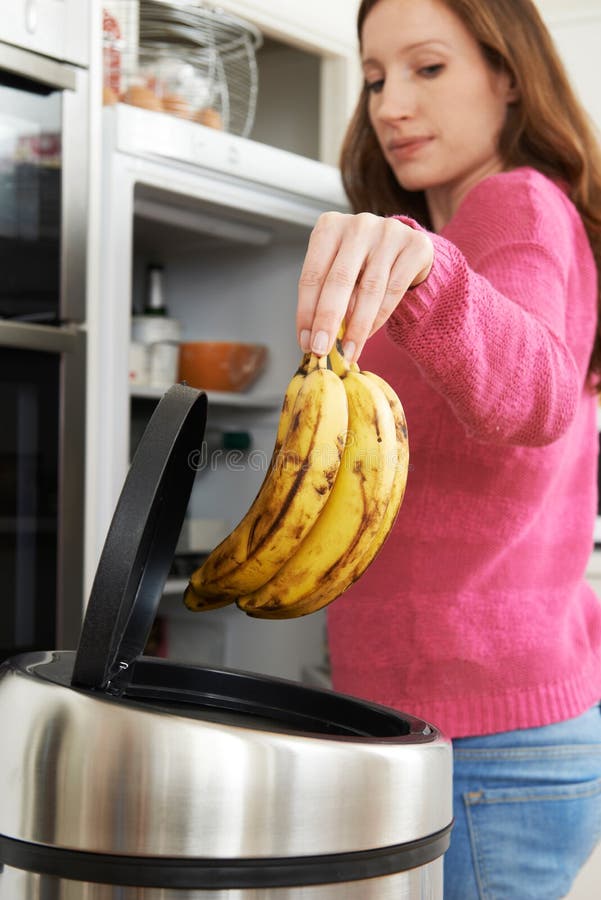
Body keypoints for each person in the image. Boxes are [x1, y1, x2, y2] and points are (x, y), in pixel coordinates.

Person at [295, 0, 601, 897]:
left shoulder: (515, 204)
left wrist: (425, 268)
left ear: (508, 75)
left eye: (427, 69)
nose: (390, 105)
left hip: (483, 746)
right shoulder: (472, 228)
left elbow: (536, 389)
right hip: (453, 727)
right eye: (376, 76)